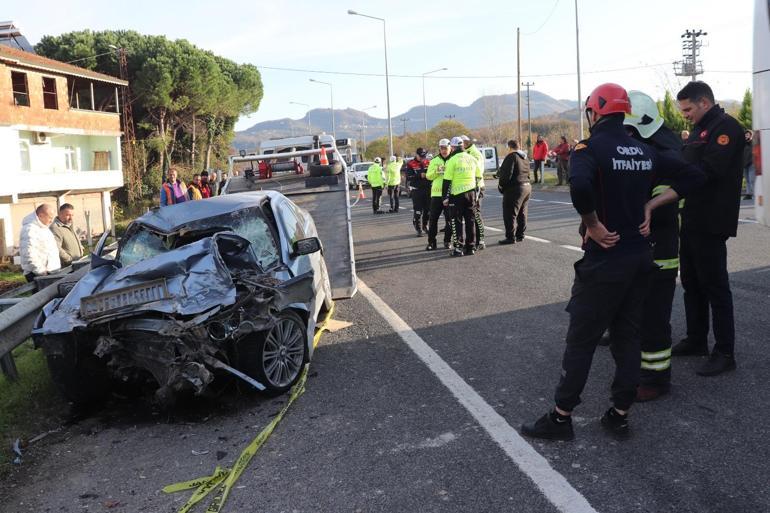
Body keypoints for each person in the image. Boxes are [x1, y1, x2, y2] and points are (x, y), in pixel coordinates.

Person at [521, 83, 704, 441]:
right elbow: (694, 176)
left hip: (605, 259)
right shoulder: (643, 150)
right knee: (627, 336)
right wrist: (651, 205)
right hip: (639, 257)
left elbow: (580, 187)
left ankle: (561, 418)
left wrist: (592, 224)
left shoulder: (590, 148)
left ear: (594, 112)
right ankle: (619, 414)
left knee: (582, 340)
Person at [672, 81, 745, 376]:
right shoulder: (701, 130)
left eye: (688, 109)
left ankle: (725, 352)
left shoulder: (726, 127)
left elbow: (709, 171)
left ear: (704, 103)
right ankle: (696, 339)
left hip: (712, 220)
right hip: (691, 218)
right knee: (691, 282)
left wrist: (672, 188)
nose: (685, 115)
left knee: (715, 287)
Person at [624, 90, 684, 401]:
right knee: (642, 314)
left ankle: (656, 380)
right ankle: (644, 370)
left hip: (659, 250)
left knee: (654, 318)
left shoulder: (664, 154)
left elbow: (662, 201)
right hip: (651, 246)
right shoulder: (661, 143)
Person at [443, 137, 480, 256]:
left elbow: (447, 181)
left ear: (453, 148)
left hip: (457, 195)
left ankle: (458, 248)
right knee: (470, 220)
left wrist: (445, 197)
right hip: (471, 193)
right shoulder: (472, 158)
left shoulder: (452, 160)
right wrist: (476, 194)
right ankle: (471, 247)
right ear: (463, 146)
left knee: (456, 221)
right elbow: (478, 177)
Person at [497, 140, 531, 245]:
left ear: (509, 147)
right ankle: (520, 235)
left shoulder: (511, 156)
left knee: (509, 213)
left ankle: (510, 237)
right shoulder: (525, 157)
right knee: (522, 212)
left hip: (515, 188)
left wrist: (501, 186)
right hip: (527, 186)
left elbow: (506, 174)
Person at [20, 204, 61, 282]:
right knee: (43, 294)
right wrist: (40, 271)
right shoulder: (29, 229)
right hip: (39, 274)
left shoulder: (43, 228)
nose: (52, 220)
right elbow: (29, 254)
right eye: (50, 217)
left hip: (50, 272)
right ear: (41, 215)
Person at [426, 139, 453, 250]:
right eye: (441, 148)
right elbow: (428, 176)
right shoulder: (434, 160)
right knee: (433, 220)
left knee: (450, 220)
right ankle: (432, 242)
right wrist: (437, 171)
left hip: (450, 194)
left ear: (450, 148)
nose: (443, 151)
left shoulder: (453, 159)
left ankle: (447, 241)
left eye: (445, 148)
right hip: (436, 194)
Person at [461, 135, 486, 250]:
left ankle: (480, 240)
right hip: (466, 188)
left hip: (476, 187)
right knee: (470, 214)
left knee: (476, 213)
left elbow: (478, 173)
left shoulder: (475, 154)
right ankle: (472, 240)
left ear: (465, 143)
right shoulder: (466, 153)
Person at [405, 148, 431, 236]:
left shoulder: (429, 162)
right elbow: (408, 177)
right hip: (417, 190)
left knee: (427, 210)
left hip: (428, 189)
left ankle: (425, 225)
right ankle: (418, 228)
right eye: (421, 156)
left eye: (424, 156)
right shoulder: (410, 164)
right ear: (416, 154)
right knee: (418, 210)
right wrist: (419, 175)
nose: (422, 158)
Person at [743, 129, 755, 200]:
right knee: (747, 180)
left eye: (748, 135)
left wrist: (751, 139)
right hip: (744, 165)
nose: (746, 136)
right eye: (745, 135)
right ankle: (748, 194)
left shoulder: (752, 143)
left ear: (751, 135)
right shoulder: (743, 143)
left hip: (751, 164)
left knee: (751, 180)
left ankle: (754, 194)